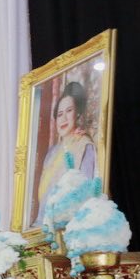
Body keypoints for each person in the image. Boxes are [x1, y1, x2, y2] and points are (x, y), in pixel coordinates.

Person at [33, 78, 100, 213]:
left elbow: (87, 194)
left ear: (78, 113)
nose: (63, 119)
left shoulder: (85, 147)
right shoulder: (52, 152)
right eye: (59, 114)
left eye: (69, 111)